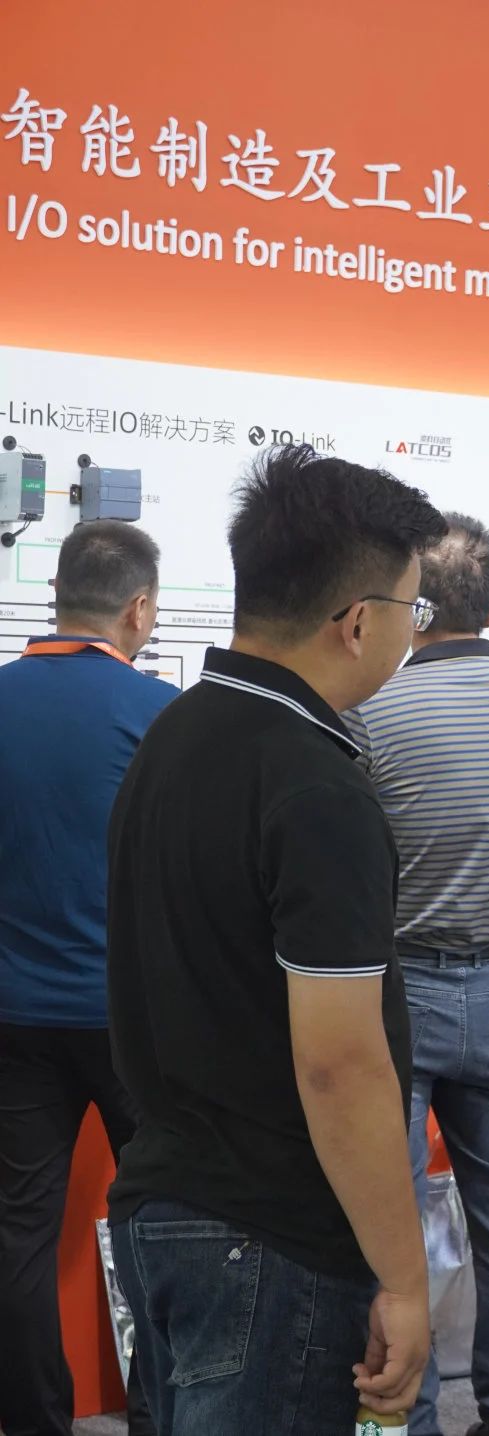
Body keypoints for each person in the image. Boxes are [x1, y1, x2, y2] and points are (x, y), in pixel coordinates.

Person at [107, 446, 447, 1435]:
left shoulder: (174, 735)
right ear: (358, 620)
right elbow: (340, 1062)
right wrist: (405, 1279)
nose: (412, 633)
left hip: (170, 1202)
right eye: (413, 610)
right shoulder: (313, 785)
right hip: (272, 1236)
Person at [344, 514, 489, 1436]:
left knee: (388, 1221)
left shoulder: (372, 709)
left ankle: (409, 1418)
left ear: (413, 605)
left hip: (402, 992)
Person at [0, 519, 170, 1436]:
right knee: (163, 1223)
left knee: (16, 1233)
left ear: (55, 595)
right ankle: (159, 1418)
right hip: (133, 1020)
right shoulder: (158, 712)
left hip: (13, 1014)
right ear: (138, 608)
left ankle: (32, 1423)